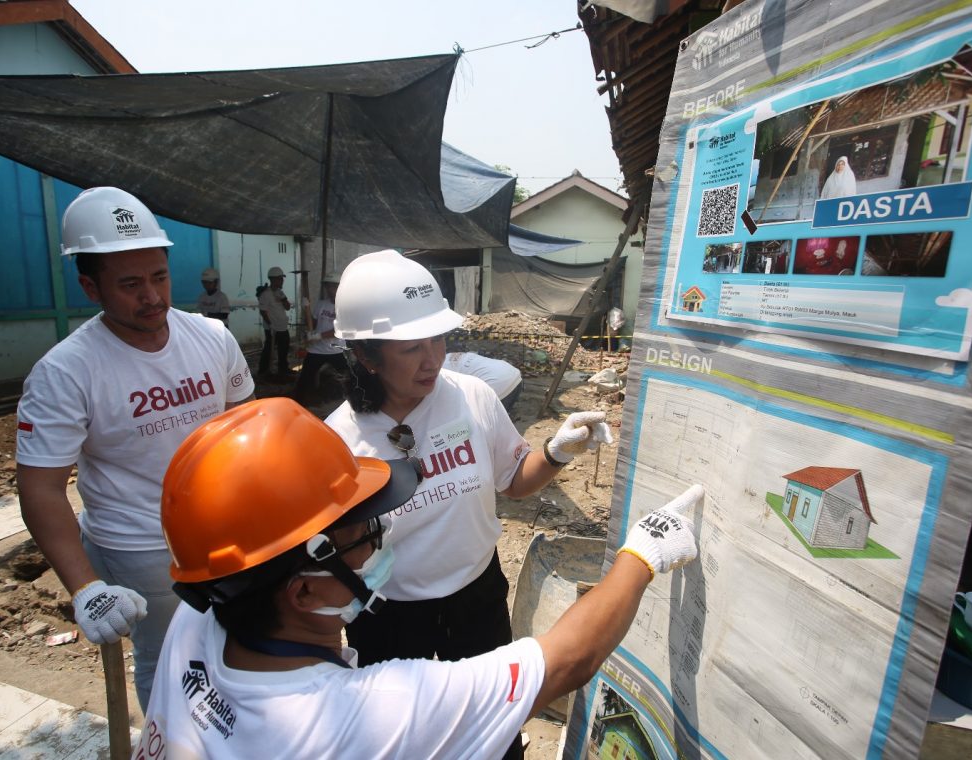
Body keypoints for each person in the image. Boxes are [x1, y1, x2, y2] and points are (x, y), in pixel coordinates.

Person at [137, 396, 702, 758]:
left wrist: (551, 453)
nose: (379, 542)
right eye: (362, 536)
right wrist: (641, 553)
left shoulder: (199, 618)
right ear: (304, 589)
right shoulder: (362, 715)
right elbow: (566, 662)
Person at [325, 250, 613, 757]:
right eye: (411, 348)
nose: (432, 359)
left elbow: (513, 483)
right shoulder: (339, 441)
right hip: (391, 616)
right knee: (407, 739)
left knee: (496, 728)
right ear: (366, 356)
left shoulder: (472, 396)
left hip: (477, 597)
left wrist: (554, 453)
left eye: (438, 339)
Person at [15, 186, 256, 713]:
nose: (151, 296)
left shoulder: (212, 338)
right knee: (169, 660)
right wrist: (85, 588)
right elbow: (40, 488)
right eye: (129, 284)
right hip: (141, 545)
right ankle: (171, 744)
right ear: (90, 286)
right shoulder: (65, 373)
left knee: (239, 643)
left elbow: (247, 428)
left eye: (159, 277)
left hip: (221, 528)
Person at [294, 271, 349, 404]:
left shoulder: (344, 307)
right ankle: (298, 402)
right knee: (305, 376)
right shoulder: (321, 304)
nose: (331, 290)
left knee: (348, 375)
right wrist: (308, 326)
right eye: (328, 286)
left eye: (334, 287)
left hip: (335, 350)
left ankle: (352, 399)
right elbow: (313, 322)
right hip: (316, 350)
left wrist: (317, 336)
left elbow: (339, 329)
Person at [443, 351, 524, 413]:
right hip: (514, 374)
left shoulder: (441, 370)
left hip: (497, 384)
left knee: (478, 417)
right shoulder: (449, 356)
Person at [257, 266, 293, 377]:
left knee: (284, 349)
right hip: (272, 328)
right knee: (269, 349)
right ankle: (263, 371)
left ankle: (283, 369)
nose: (282, 281)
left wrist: (283, 298)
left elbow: (287, 307)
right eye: (280, 279)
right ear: (272, 279)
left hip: (282, 327)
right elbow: (263, 311)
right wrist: (270, 324)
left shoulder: (280, 292)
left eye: (282, 279)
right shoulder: (265, 294)